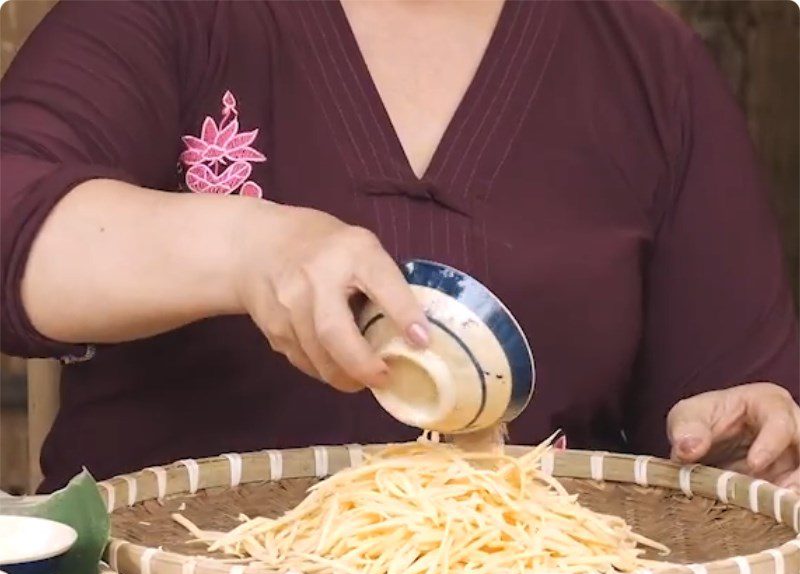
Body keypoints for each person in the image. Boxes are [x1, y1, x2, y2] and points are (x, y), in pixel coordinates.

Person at [2, 0, 798, 493]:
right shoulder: (168, 15)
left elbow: (728, 411)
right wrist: (248, 247)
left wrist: (742, 452)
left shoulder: (649, 65)